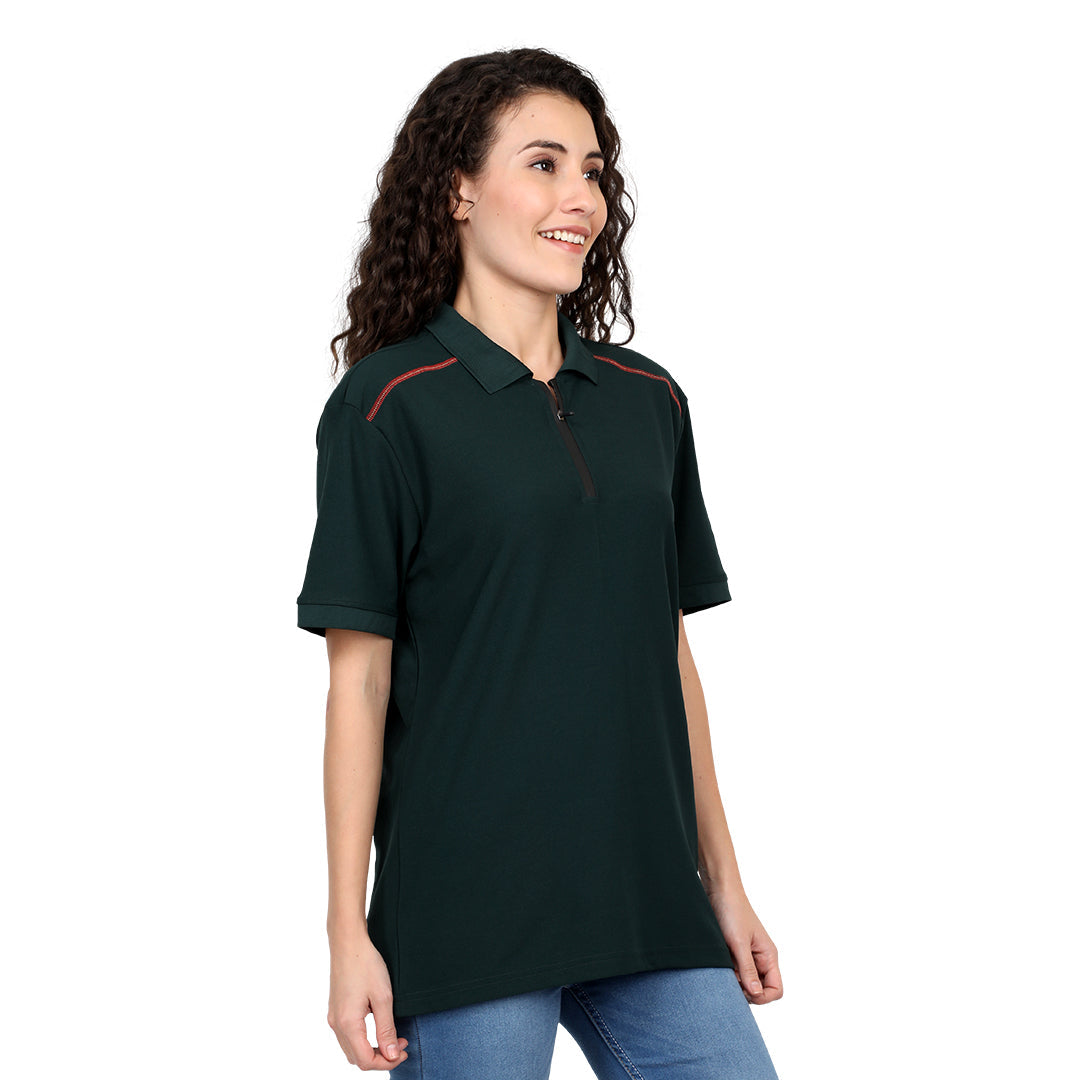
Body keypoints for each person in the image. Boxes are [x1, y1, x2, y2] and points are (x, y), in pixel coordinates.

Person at [296, 47, 783, 1078]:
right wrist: (348, 931)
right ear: (459, 190)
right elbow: (359, 682)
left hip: (648, 899)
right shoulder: (387, 407)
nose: (582, 198)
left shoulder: (649, 401)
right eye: (545, 164)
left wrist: (725, 883)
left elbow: (669, 657)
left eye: (593, 171)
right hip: (470, 912)